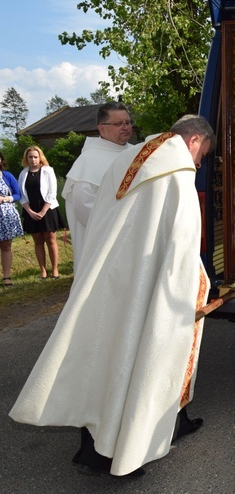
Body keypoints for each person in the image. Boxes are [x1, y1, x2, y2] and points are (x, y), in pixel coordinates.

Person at [10, 115, 216, 478]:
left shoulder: (127, 158)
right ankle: (120, 452)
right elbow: (181, 250)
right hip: (145, 287)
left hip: (106, 276)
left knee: (100, 356)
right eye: (201, 156)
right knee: (134, 359)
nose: (198, 163)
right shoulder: (178, 173)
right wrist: (198, 285)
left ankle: (93, 451)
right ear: (195, 140)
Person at [62, 102, 133, 271]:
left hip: (135, 236)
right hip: (106, 239)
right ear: (102, 128)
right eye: (118, 124)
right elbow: (83, 207)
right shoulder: (89, 160)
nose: (126, 127)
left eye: (128, 122)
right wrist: (120, 226)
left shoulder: (137, 153)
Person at [18, 146, 66, 279]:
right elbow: (21, 195)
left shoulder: (48, 171)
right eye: (30, 157)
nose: (33, 159)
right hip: (31, 211)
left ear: (40, 157)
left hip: (47, 210)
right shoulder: (23, 173)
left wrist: (43, 211)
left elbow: (52, 193)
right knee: (38, 242)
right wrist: (30, 211)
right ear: (26, 158)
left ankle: (55, 269)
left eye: (35, 157)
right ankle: (43, 271)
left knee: (50, 240)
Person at [0, 151, 24, 286]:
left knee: (6, 246)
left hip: (6, 215)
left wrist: (4, 199)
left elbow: (17, 194)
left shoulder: (7, 176)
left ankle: (6, 277)